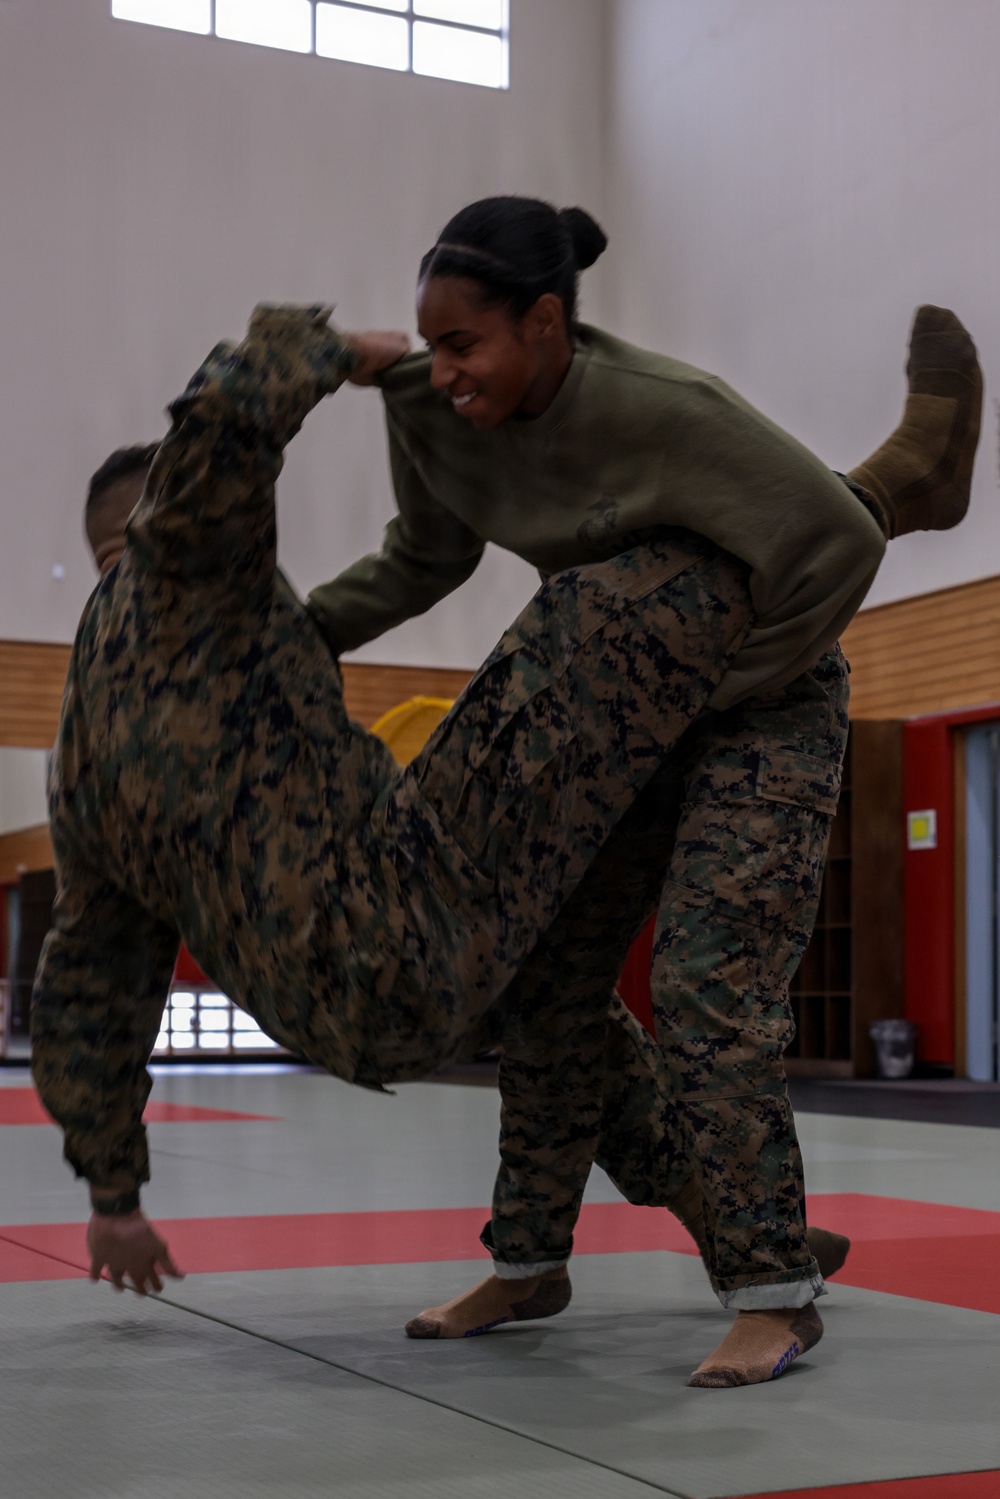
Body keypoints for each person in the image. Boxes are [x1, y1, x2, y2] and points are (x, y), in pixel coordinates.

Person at [306, 196, 982, 1384]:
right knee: (549, 980)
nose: (443, 369)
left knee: (706, 986)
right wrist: (304, 632)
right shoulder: (432, 409)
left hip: (756, 693)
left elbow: (831, 546)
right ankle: (528, 1258)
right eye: (431, 342)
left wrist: (722, 686)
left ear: (548, 324)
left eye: (467, 343)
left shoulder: (667, 411)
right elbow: (428, 552)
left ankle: (773, 1288)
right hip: (621, 698)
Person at [32, 303, 774, 1306]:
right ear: (157, 522)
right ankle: (809, 536)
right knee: (585, 616)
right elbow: (220, 426)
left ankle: (722, 1220)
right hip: (399, 917)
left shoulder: (79, 750)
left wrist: (112, 1192)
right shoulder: (181, 570)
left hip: (352, 1023)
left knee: (561, 1003)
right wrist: (332, 351)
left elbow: (92, 978)